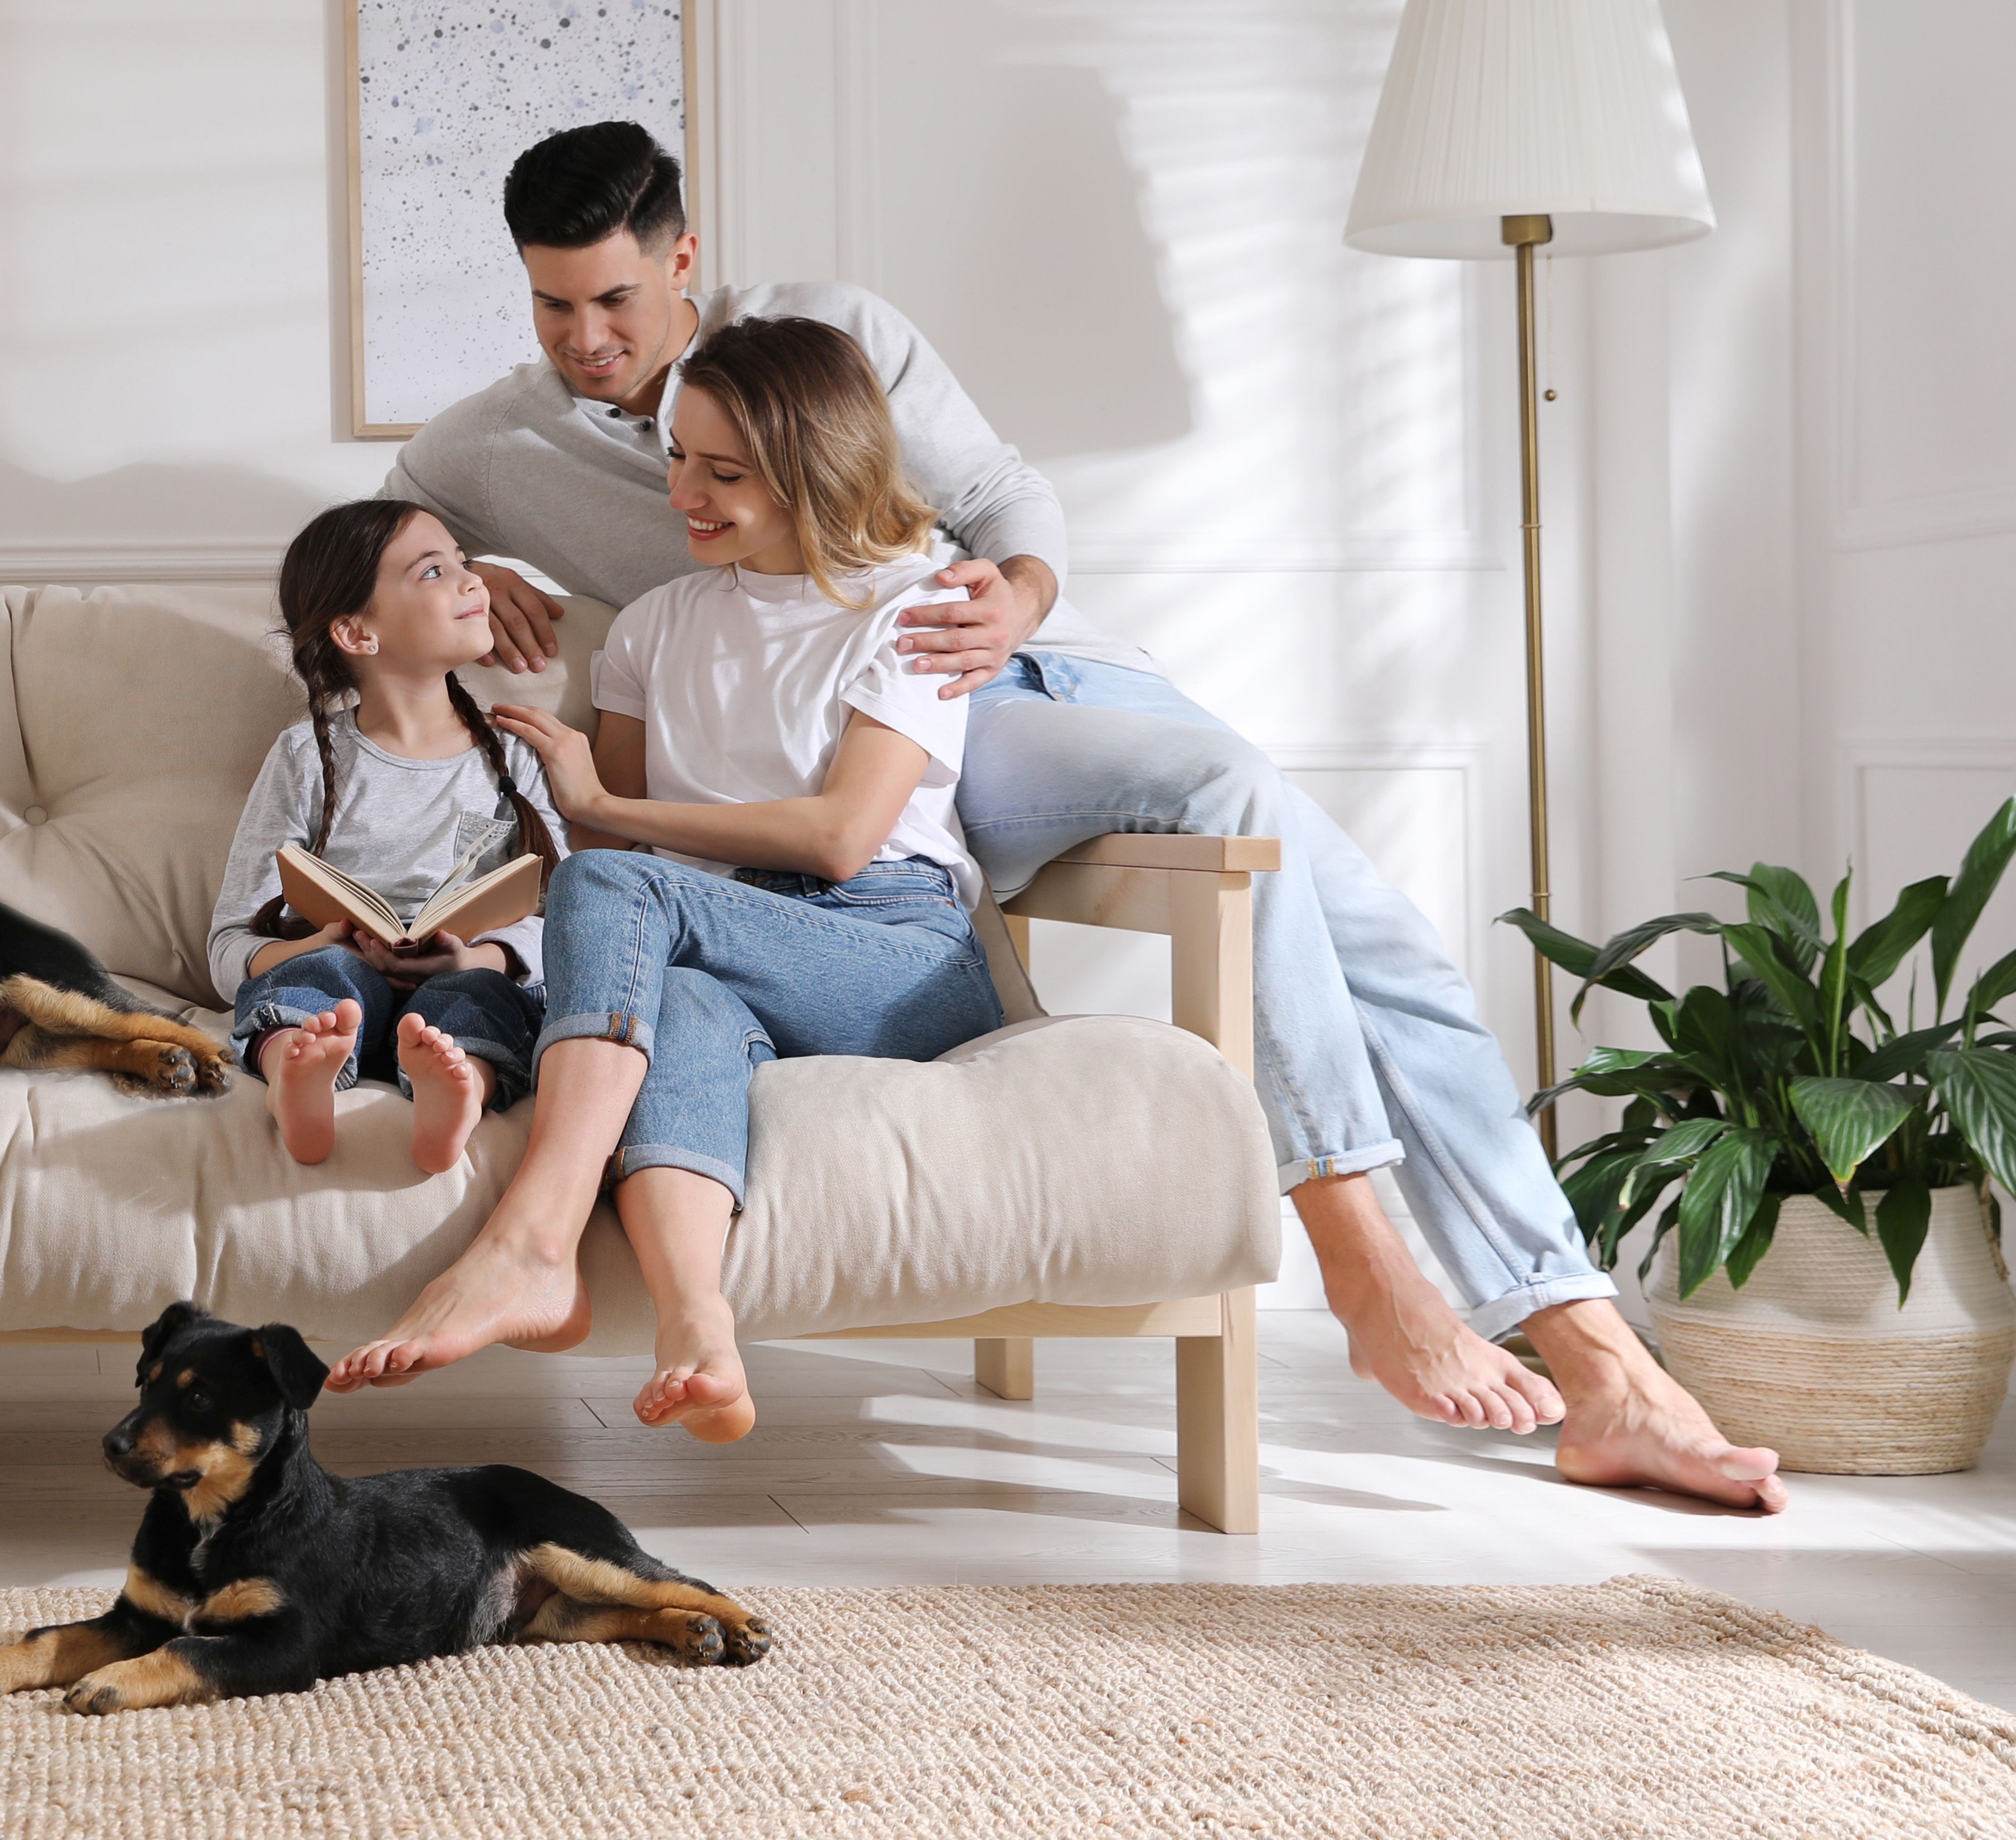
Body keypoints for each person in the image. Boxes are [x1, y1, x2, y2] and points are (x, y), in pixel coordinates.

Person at [344, 118, 1783, 1514]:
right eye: (552, 307)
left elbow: (1002, 498)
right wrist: (469, 560)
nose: (588, 338)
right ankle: (1466, 1312)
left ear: (683, 258)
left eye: (615, 297)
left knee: (1374, 938)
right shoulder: (508, 444)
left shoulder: (827, 334)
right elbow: (389, 517)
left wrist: (1009, 603)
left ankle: (1536, 1334)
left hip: (1004, 680)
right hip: (870, 749)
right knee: (1268, 841)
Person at [481, 316, 1004, 1441]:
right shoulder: (653, 629)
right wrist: (585, 827)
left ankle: (533, 1234)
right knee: (687, 1001)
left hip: (894, 953)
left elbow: (840, 836)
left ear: (819, 469)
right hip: (723, 942)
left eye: (725, 472)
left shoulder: (919, 607)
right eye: (677, 456)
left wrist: (603, 807)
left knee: (623, 894)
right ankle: (698, 1326)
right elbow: (619, 867)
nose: (685, 494)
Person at [209, 502, 564, 1175]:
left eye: (463, 560)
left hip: (464, 978)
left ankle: (459, 1092)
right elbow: (227, 944)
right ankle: (297, 1072)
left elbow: (571, 925)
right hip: (341, 983)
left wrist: (479, 961)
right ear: (357, 632)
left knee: (481, 1004)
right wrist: (318, 942)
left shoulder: (513, 755)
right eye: (435, 570)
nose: (473, 581)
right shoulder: (305, 757)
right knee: (317, 978)